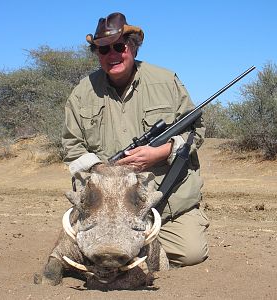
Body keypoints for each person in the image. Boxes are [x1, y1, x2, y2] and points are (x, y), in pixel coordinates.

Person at [62, 12, 209, 266]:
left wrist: (161, 152)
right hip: (105, 207)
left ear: (132, 47)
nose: (112, 55)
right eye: (103, 49)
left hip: (165, 200)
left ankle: (145, 242)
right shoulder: (81, 93)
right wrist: (104, 170)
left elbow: (197, 130)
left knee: (190, 253)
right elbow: (72, 147)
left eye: (119, 46)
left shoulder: (166, 81)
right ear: (96, 53)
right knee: (84, 253)